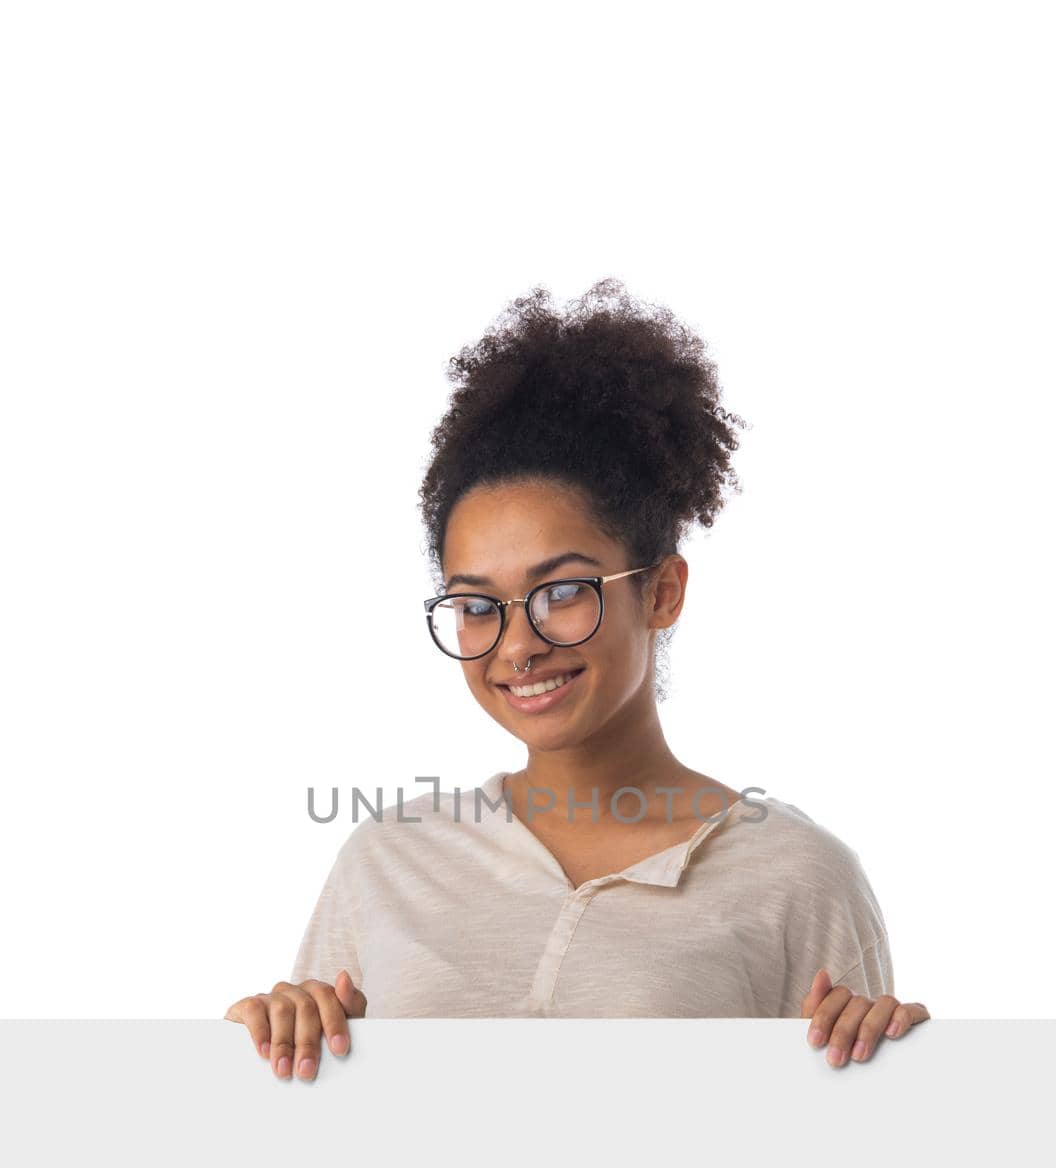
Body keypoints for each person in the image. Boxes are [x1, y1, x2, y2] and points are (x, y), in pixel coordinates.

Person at [225, 278, 929, 1078]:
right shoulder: (386, 861)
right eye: (476, 604)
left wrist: (895, 1063)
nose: (515, 646)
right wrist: (271, 1038)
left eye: (561, 592)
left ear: (660, 592)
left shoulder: (797, 878)